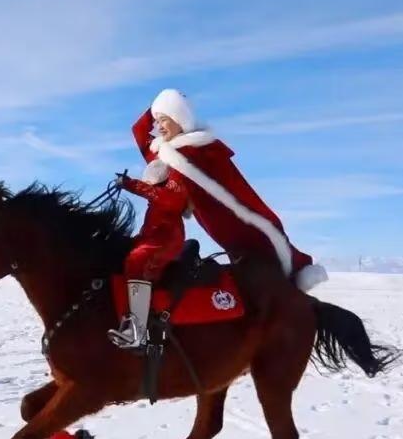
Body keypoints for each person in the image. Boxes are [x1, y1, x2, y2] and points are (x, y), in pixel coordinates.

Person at [131, 89, 328, 291]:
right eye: (157, 121)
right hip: (215, 226)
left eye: (164, 120)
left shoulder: (198, 152)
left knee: (262, 255)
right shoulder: (169, 152)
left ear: (179, 119)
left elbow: (232, 190)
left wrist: (174, 104)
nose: (158, 126)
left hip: (232, 221)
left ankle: (292, 280)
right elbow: (140, 132)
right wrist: (158, 106)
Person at [107, 159, 189, 349]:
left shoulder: (173, 189)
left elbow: (157, 194)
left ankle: (137, 332)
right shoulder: (160, 193)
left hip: (166, 242)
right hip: (153, 239)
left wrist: (129, 183)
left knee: (136, 260)